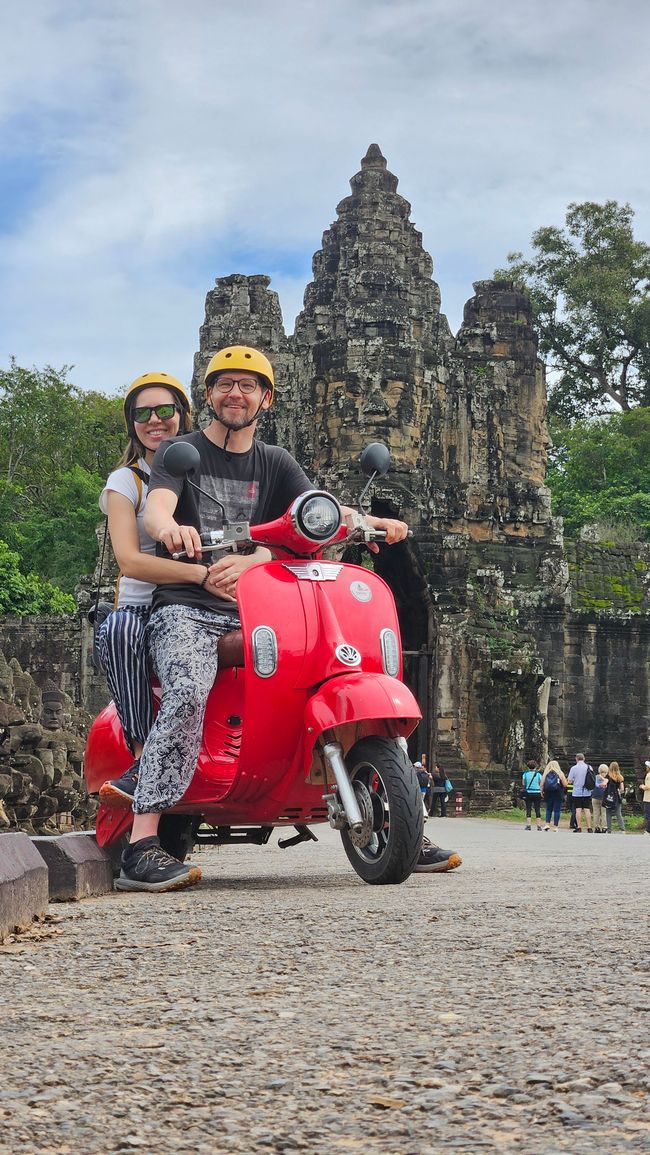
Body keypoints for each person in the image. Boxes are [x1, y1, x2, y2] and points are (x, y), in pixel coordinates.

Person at [101, 346, 462, 890]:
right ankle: (143, 844)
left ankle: (403, 816)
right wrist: (173, 529)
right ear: (210, 396)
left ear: (265, 399)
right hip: (190, 609)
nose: (235, 394)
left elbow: (317, 510)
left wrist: (369, 521)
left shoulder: (276, 461)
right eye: (225, 385)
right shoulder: (181, 452)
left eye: (248, 386)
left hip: (267, 607)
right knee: (187, 691)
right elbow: (157, 508)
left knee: (348, 667)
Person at [96, 373, 193, 783]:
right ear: (132, 423)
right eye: (143, 413)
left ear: (183, 415)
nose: (155, 420)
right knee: (118, 631)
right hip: (143, 605)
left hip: (197, 602)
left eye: (166, 410)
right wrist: (202, 574)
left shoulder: (203, 472)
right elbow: (129, 561)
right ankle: (143, 756)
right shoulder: (127, 481)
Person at [568, 752, 593, 832]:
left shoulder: (573, 768)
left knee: (578, 809)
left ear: (576, 759)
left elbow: (570, 781)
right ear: (584, 759)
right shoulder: (589, 767)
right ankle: (589, 827)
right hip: (587, 791)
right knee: (587, 809)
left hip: (577, 791)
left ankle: (579, 827)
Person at [540, 759, 567, 830]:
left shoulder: (546, 773)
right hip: (558, 792)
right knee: (557, 810)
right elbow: (565, 784)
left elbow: (542, 784)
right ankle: (555, 826)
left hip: (548, 792)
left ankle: (547, 824)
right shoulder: (560, 773)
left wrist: (541, 792)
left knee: (548, 809)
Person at [603, 761, 625, 833]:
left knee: (608, 813)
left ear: (610, 767)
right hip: (617, 797)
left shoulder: (608, 776)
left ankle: (609, 830)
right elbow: (622, 789)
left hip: (609, 797)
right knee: (618, 813)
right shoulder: (620, 777)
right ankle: (622, 829)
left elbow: (604, 783)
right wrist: (618, 791)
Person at [521, 759, 543, 831]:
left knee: (528, 808)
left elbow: (523, 783)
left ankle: (528, 825)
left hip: (528, 793)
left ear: (528, 767)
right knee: (537, 808)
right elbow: (541, 784)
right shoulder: (539, 775)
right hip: (537, 793)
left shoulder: (525, 774)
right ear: (535, 767)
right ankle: (539, 826)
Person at [591, 763, 609, 832]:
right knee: (604, 813)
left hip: (595, 797)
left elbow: (595, 785)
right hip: (604, 798)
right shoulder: (606, 779)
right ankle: (604, 827)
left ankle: (596, 827)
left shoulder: (595, 777)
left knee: (596, 813)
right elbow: (604, 785)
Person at [640, 760, 650, 834]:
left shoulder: (648, 775)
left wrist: (642, 786)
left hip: (648, 798)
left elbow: (648, 787)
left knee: (648, 815)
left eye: (647, 766)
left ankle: (648, 830)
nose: (646, 768)